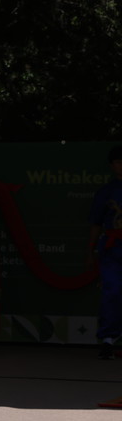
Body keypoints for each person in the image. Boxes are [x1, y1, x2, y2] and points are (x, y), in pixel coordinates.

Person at [89, 145, 122, 360]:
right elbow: (96, 223)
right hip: (113, 247)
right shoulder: (107, 191)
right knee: (112, 291)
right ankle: (109, 340)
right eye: (118, 161)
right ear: (112, 165)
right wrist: (91, 249)